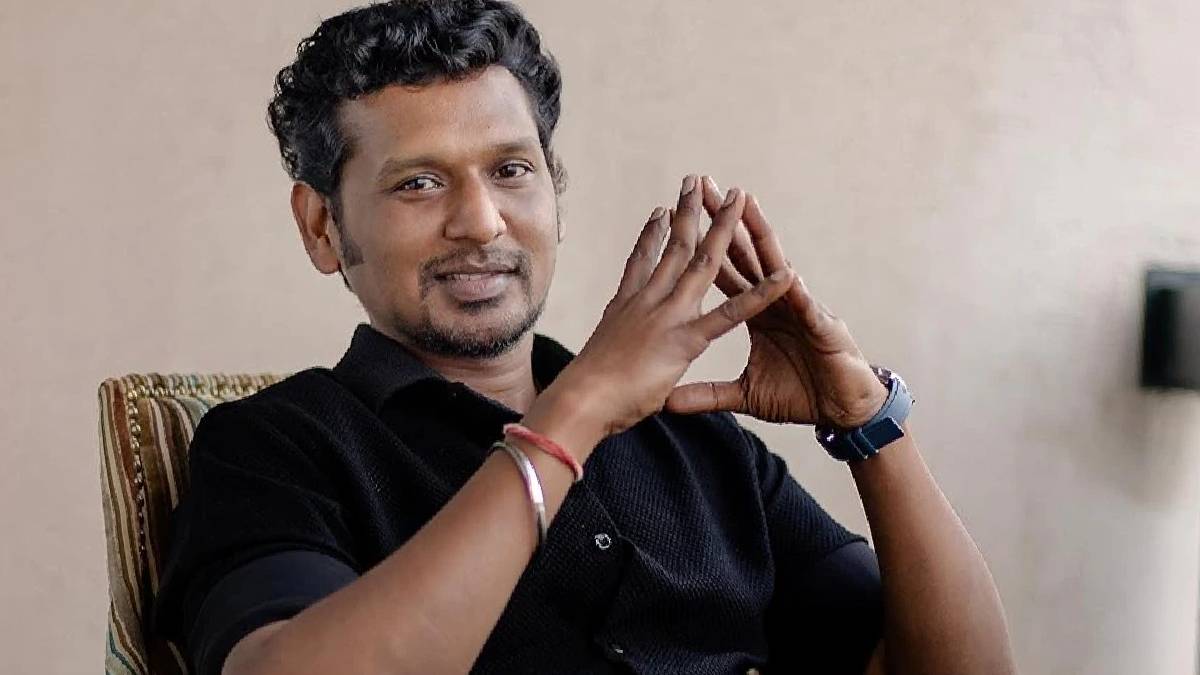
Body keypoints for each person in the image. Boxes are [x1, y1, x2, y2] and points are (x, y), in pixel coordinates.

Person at [153, 1, 1016, 673]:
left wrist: (869, 424)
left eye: (511, 170)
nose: (480, 220)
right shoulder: (277, 446)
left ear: (554, 195)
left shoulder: (697, 443)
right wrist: (581, 408)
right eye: (418, 183)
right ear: (322, 227)